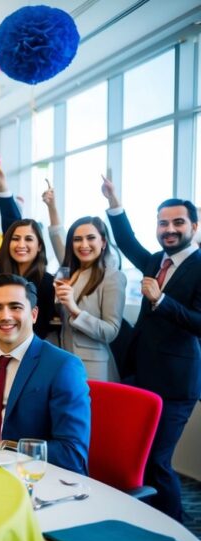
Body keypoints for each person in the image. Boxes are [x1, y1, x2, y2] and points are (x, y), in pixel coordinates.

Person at [104, 179, 201, 521]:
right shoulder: (156, 261)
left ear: (194, 226)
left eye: (178, 222)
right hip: (141, 376)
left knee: (158, 461)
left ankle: (178, 530)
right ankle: (147, 523)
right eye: (163, 223)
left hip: (176, 385)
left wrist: (161, 301)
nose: (170, 229)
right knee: (138, 459)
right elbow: (127, 242)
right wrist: (115, 202)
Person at [0, 274, 90, 475]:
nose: (5, 316)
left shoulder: (63, 366)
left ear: (33, 314)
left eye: (15, 307)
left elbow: (72, 453)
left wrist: (4, 451)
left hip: (36, 478)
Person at [55, 217, 126, 382]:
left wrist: (75, 310)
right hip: (65, 360)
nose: (83, 245)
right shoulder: (71, 273)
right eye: (77, 239)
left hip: (93, 367)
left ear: (103, 242)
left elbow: (111, 331)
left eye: (90, 238)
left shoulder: (113, 277)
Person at [0, 220, 58, 340]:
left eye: (28, 239)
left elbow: (42, 327)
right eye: (15, 239)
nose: (21, 245)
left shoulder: (48, 283)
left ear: (39, 246)